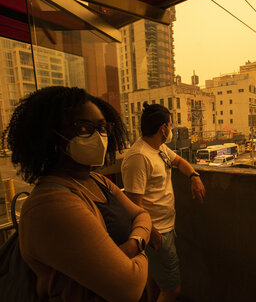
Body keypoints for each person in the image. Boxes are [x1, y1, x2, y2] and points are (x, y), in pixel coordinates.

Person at [2, 86, 152, 302]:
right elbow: (129, 288)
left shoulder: (95, 180)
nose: (99, 137)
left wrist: (133, 244)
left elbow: (142, 214)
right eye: (84, 128)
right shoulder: (50, 206)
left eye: (102, 128)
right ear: (49, 136)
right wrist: (143, 243)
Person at [121, 103, 206, 302]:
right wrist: (153, 234)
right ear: (163, 128)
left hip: (165, 228)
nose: (172, 129)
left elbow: (178, 162)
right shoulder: (139, 157)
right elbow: (134, 205)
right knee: (172, 290)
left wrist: (194, 175)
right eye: (170, 125)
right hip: (156, 232)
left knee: (155, 279)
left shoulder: (159, 148)